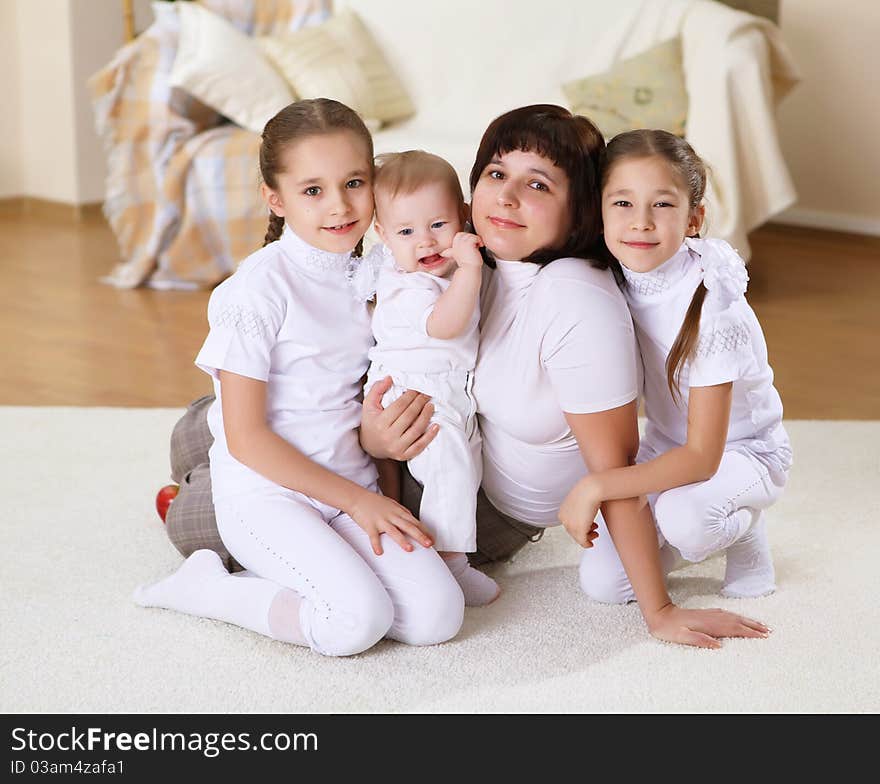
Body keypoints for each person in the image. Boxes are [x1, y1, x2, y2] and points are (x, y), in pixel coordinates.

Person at [361, 105, 771, 649]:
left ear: (579, 208)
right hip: (384, 459)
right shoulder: (468, 259)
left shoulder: (571, 297)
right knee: (219, 441)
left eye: (538, 184)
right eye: (496, 174)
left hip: (460, 507)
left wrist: (661, 610)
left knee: (222, 531)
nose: (507, 197)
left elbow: (616, 464)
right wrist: (373, 440)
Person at [135, 99, 464, 657]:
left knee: (439, 616)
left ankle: (326, 575)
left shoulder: (380, 271)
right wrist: (361, 506)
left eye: (354, 182)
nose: (339, 206)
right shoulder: (256, 291)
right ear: (275, 198)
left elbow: (375, 387)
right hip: (267, 494)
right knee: (352, 624)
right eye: (313, 190)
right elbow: (246, 438)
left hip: (347, 485)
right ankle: (210, 588)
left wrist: (377, 494)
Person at [559, 129, 792, 600]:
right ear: (599, 211)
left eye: (662, 205)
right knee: (606, 584)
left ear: (693, 218)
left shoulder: (711, 305)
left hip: (741, 452)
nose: (641, 222)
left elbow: (703, 457)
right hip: (665, 447)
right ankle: (681, 527)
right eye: (622, 203)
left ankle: (744, 529)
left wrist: (598, 485)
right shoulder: (610, 275)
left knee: (688, 522)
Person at [366, 151, 497, 605]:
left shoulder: (444, 275)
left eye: (438, 225)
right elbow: (446, 325)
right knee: (450, 465)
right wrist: (472, 269)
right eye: (405, 232)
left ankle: (446, 552)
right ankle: (449, 563)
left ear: (462, 216)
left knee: (468, 462)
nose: (425, 242)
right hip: (412, 392)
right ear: (382, 236)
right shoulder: (407, 285)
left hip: (446, 388)